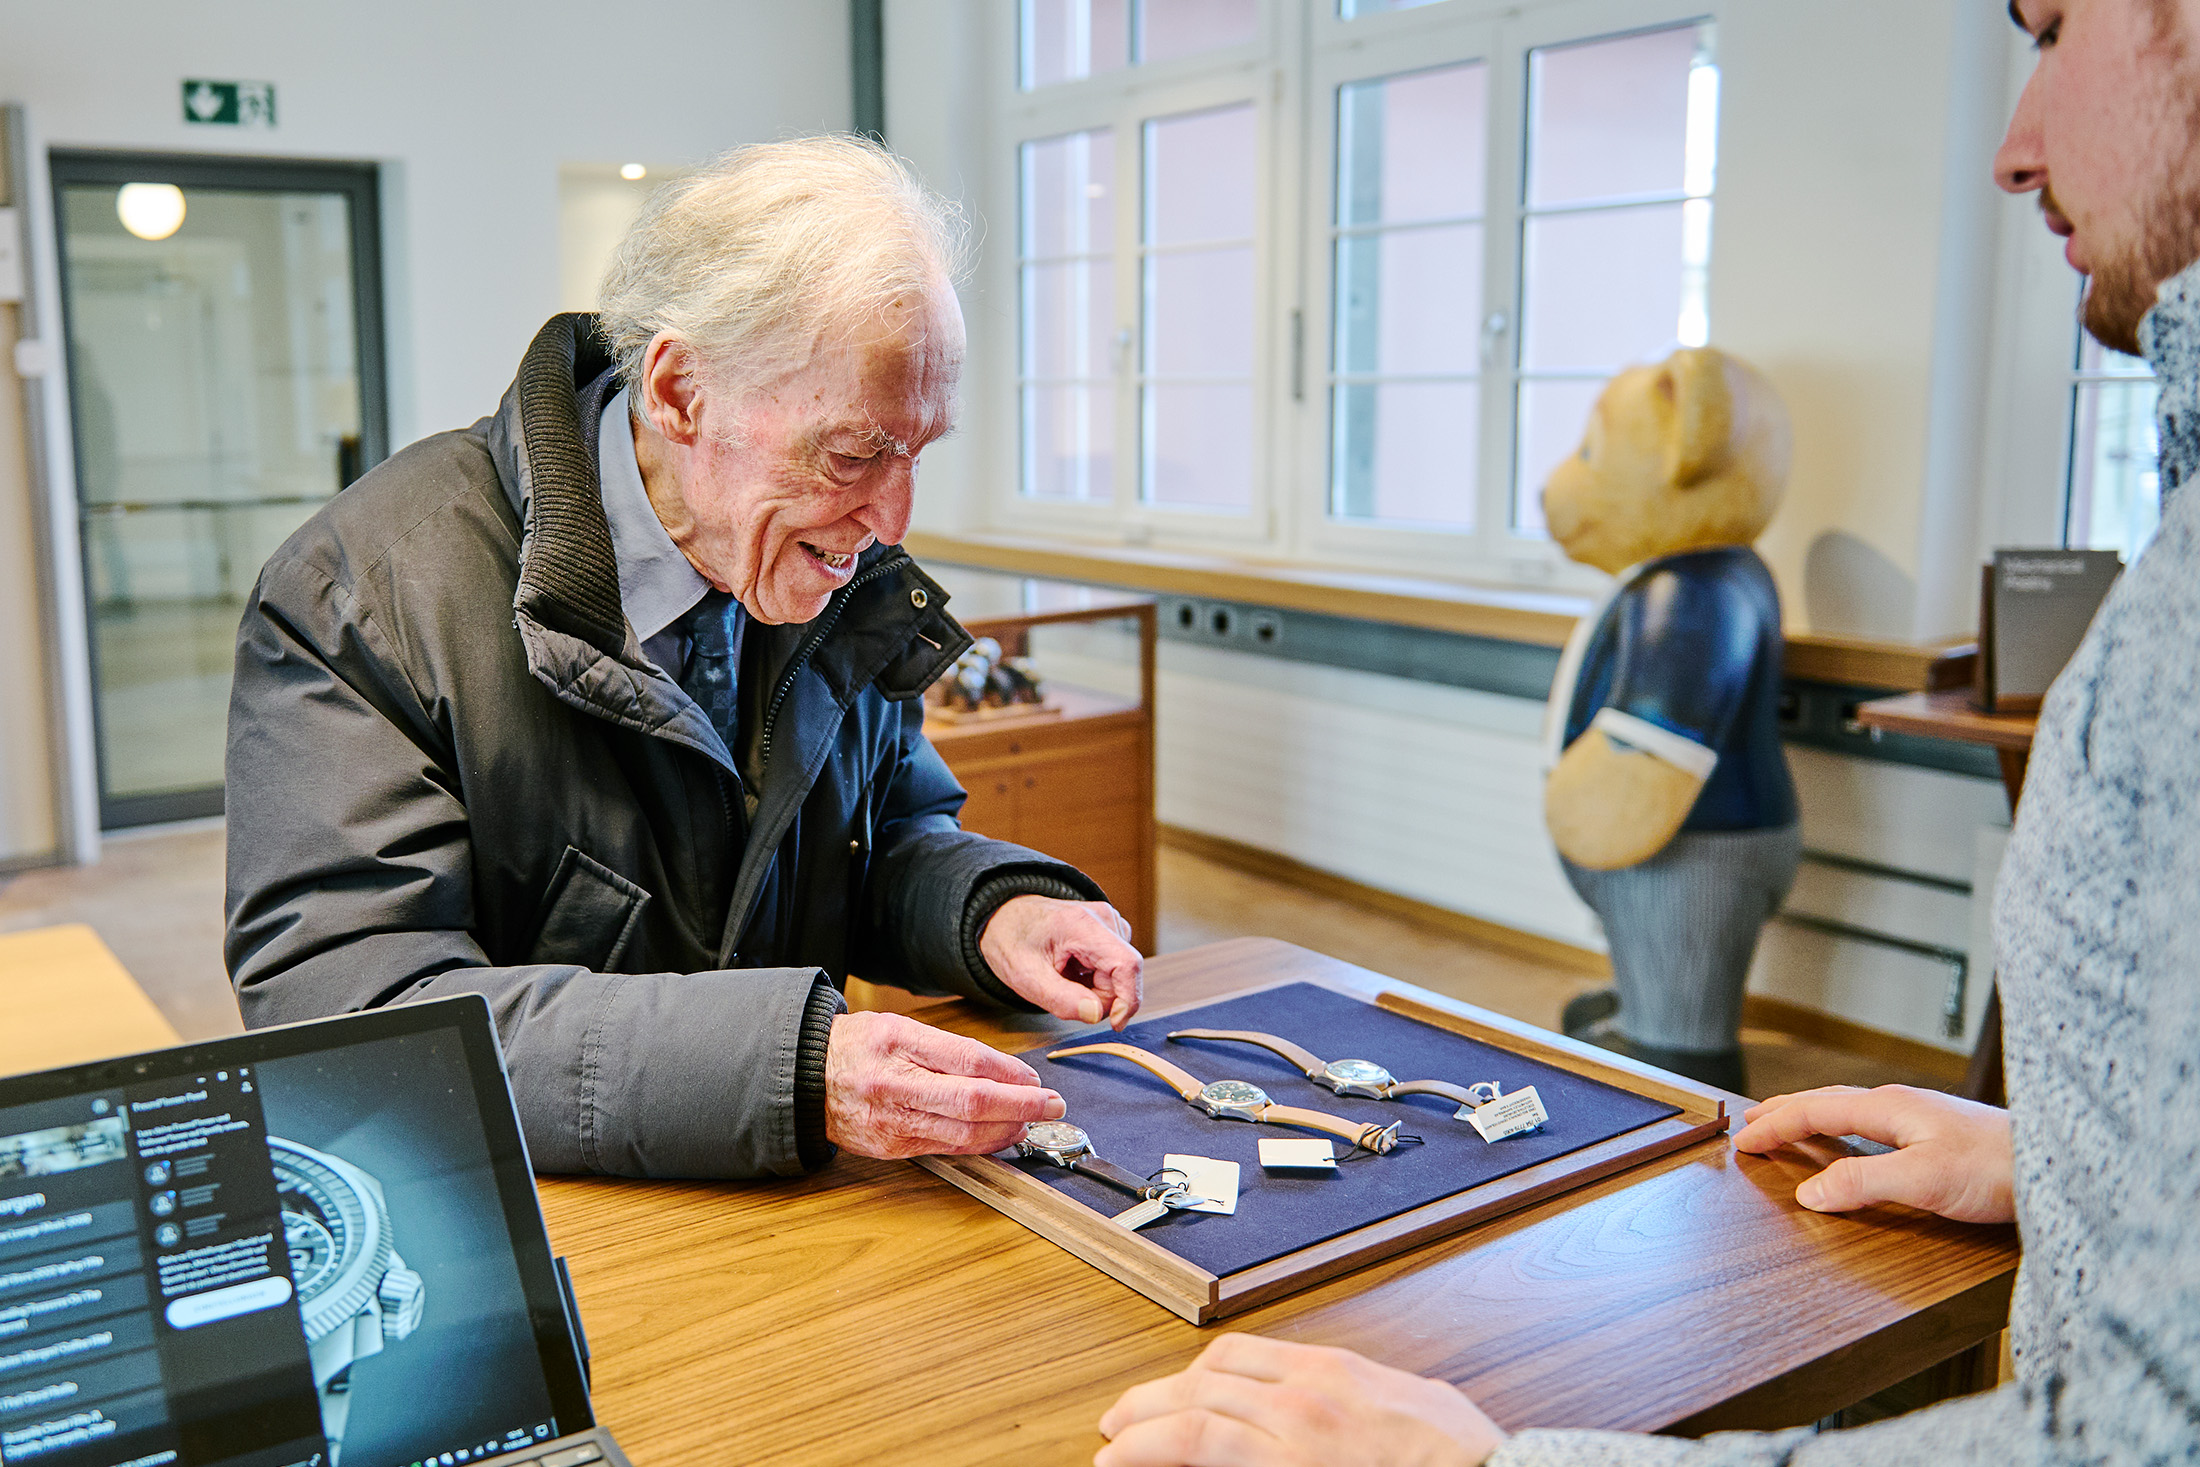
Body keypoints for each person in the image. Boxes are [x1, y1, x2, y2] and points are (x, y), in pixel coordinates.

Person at [1093, 0, 2200, 1461]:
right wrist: (2082, 1166)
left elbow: (2132, 1439)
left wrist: (1484, 1463)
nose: (2011, 147)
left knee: (1679, 1048)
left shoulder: (1713, 592)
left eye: (2055, 29)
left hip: (1697, 854)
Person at [225, 137, 1144, 1181]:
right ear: (679, 392)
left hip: (786, 1223)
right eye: (852, 455)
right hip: (542, 1231)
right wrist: (791, 1067)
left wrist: (989, 909)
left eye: (917, 452)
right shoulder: (358, 594)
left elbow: (875, 838)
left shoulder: (817, 557)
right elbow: (352, 1007)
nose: (891, 517)